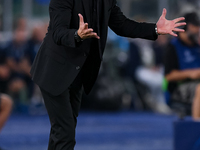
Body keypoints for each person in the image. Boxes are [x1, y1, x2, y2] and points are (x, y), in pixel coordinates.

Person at [30, 0, 186, 149]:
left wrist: (155, 29)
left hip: (77, 73)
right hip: (53, 72)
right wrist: (77, 35)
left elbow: (122, 25)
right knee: (65, 132)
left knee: (63, 131)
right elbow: (58, 32)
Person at [164, 12, 200, 120]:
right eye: (195, 26)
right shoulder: (173, 47)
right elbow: (168, 76)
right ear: (186, 26)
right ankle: (196, 128)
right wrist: (191, 73)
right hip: (179, 89)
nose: (198, 30)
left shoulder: (197, 46)